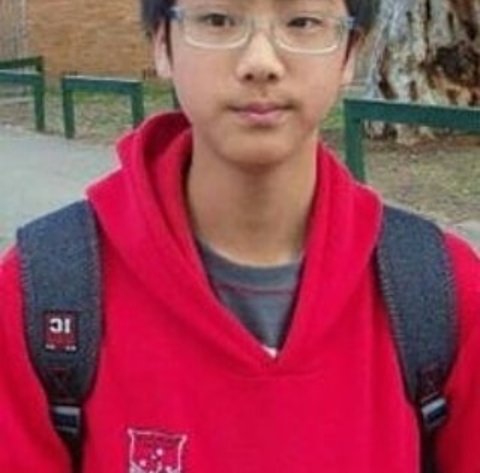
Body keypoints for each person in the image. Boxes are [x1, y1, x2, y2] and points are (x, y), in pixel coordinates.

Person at [1, 0, 479, 471]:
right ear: (162, 45)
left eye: (302, 22)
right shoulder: (41, 297)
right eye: (218, 19)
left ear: (350, 51)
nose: (260, 62)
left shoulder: (442, 295)